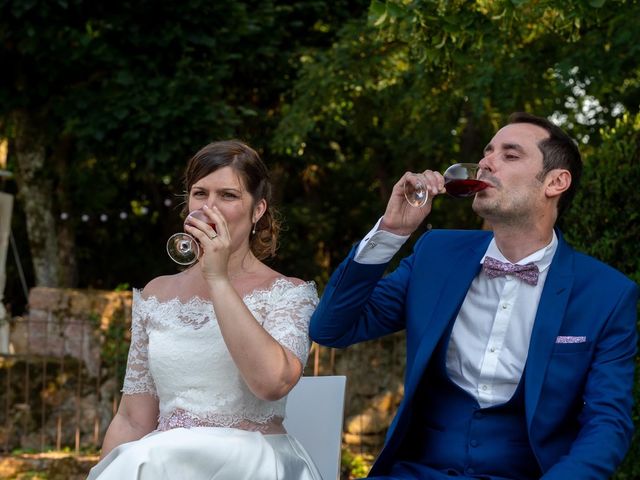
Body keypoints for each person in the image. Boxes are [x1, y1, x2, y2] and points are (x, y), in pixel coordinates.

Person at [310, 112, 638, 479]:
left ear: (556, 182)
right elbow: (330, 329)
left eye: (510, 155)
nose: (485, 162)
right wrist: (391, 232)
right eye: (487, 152)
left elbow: (607, 424)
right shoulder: (435, 254)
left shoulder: (607, 294)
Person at [88, 140, 322, 480]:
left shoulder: (289, 293)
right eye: (200, 194)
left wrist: (218, 279)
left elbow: (272, 382)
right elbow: (132, 419)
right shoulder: (156, 293)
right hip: (165, 465)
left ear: (258, 210)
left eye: (228, 195)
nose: (209, 208)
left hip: (251, 464)